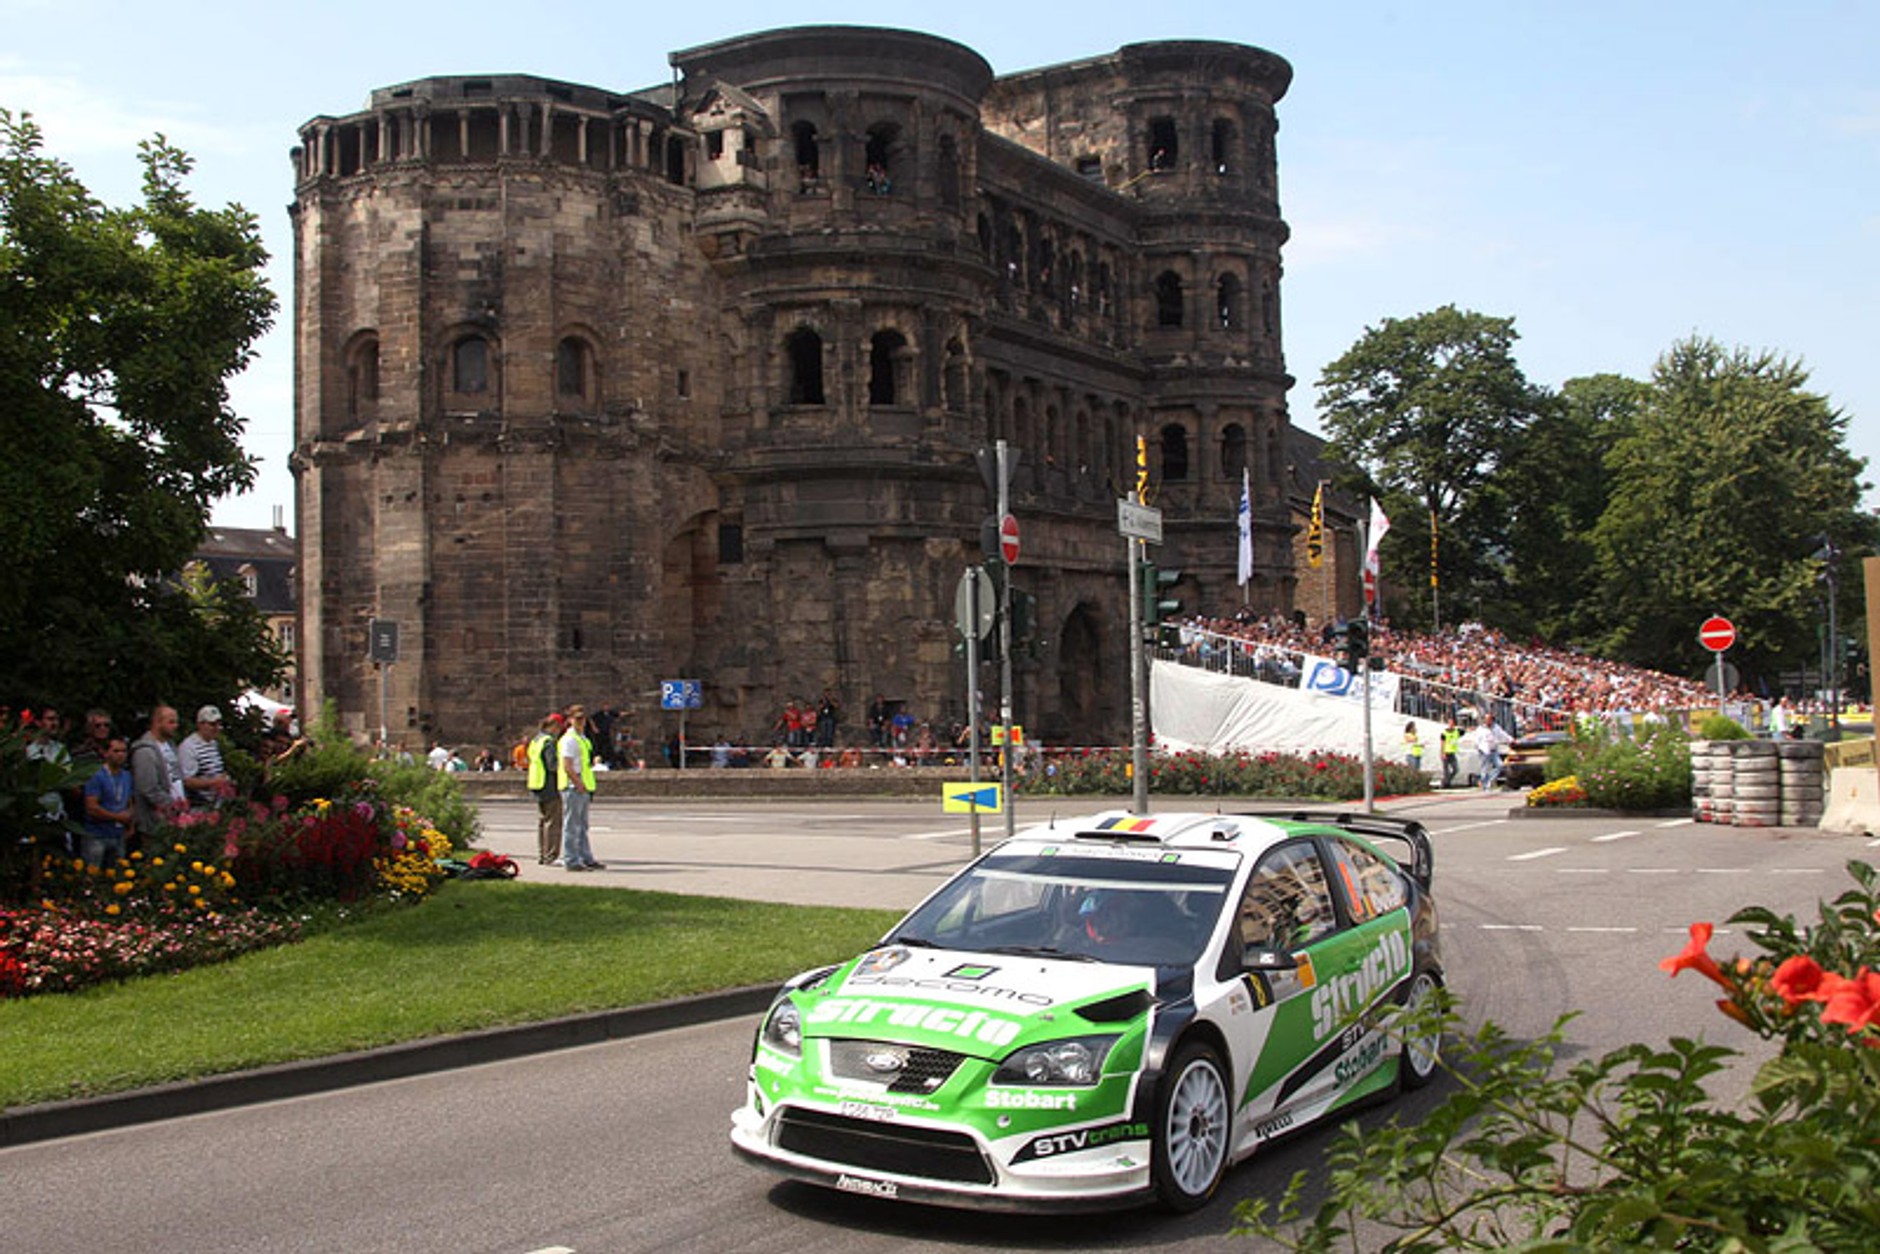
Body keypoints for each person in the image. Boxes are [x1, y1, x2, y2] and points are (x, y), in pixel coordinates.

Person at [129, 704, 185, 850]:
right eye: (171, 722)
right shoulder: (145, 751)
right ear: (157, 722)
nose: (176, 726)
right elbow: (148, 788)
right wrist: (173, 805)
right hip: (155, 820)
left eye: (176, 722)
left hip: (175, 817)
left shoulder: (170, 746)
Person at [558, 705, 602, 870]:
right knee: (572, 825)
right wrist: (578, 783)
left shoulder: (582, 738)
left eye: (583, 718)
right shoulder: (569, 739)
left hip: (582, 785)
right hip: (573, 786)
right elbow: (567, 765)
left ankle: (585, 857)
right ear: (570, 720)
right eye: (577, 718)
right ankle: (571, 859)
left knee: (582, 826)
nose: (581, 721)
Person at [80, 736, 135, 867]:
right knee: (93, 873)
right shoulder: (96, 775)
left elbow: (129, 801)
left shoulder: (127, 776)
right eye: (116, 751)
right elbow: (92, 807)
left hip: (119, 834)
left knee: (117, 874)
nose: (121, 755)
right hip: (97, 834)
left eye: (123, 751)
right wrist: (118, 817)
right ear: (106, 753)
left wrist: (131, 824)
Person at [177, 705, 237, 808]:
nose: (217, 728)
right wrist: (214, 782)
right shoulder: (189, 746)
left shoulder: (213, 744)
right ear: (200, 724)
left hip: (216, 803)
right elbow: (187, 781)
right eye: (212, 724)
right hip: (199, 804)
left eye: (219, 724)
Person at [527, 713, 566, 865]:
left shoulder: (536, 740)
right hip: (549, 784)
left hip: (536, 784)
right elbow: (552, 765)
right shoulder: (549, 742)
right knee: (553, 822)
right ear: (554, 726)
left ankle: (543, 854)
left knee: (543, 822)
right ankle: (551, 856)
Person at [1441, 721, 1462, 788]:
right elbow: (1442, 743)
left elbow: (1463, 731)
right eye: (1449, 724)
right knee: (1446, 771)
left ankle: (1446, 781)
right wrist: (1443, 753)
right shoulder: (1444, 733)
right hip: (1446, 752)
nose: (1451, 726)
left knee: (1456, 769)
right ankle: (1446, 784)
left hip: (1452, 753)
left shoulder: (1456, 731)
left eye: (1452, 724)